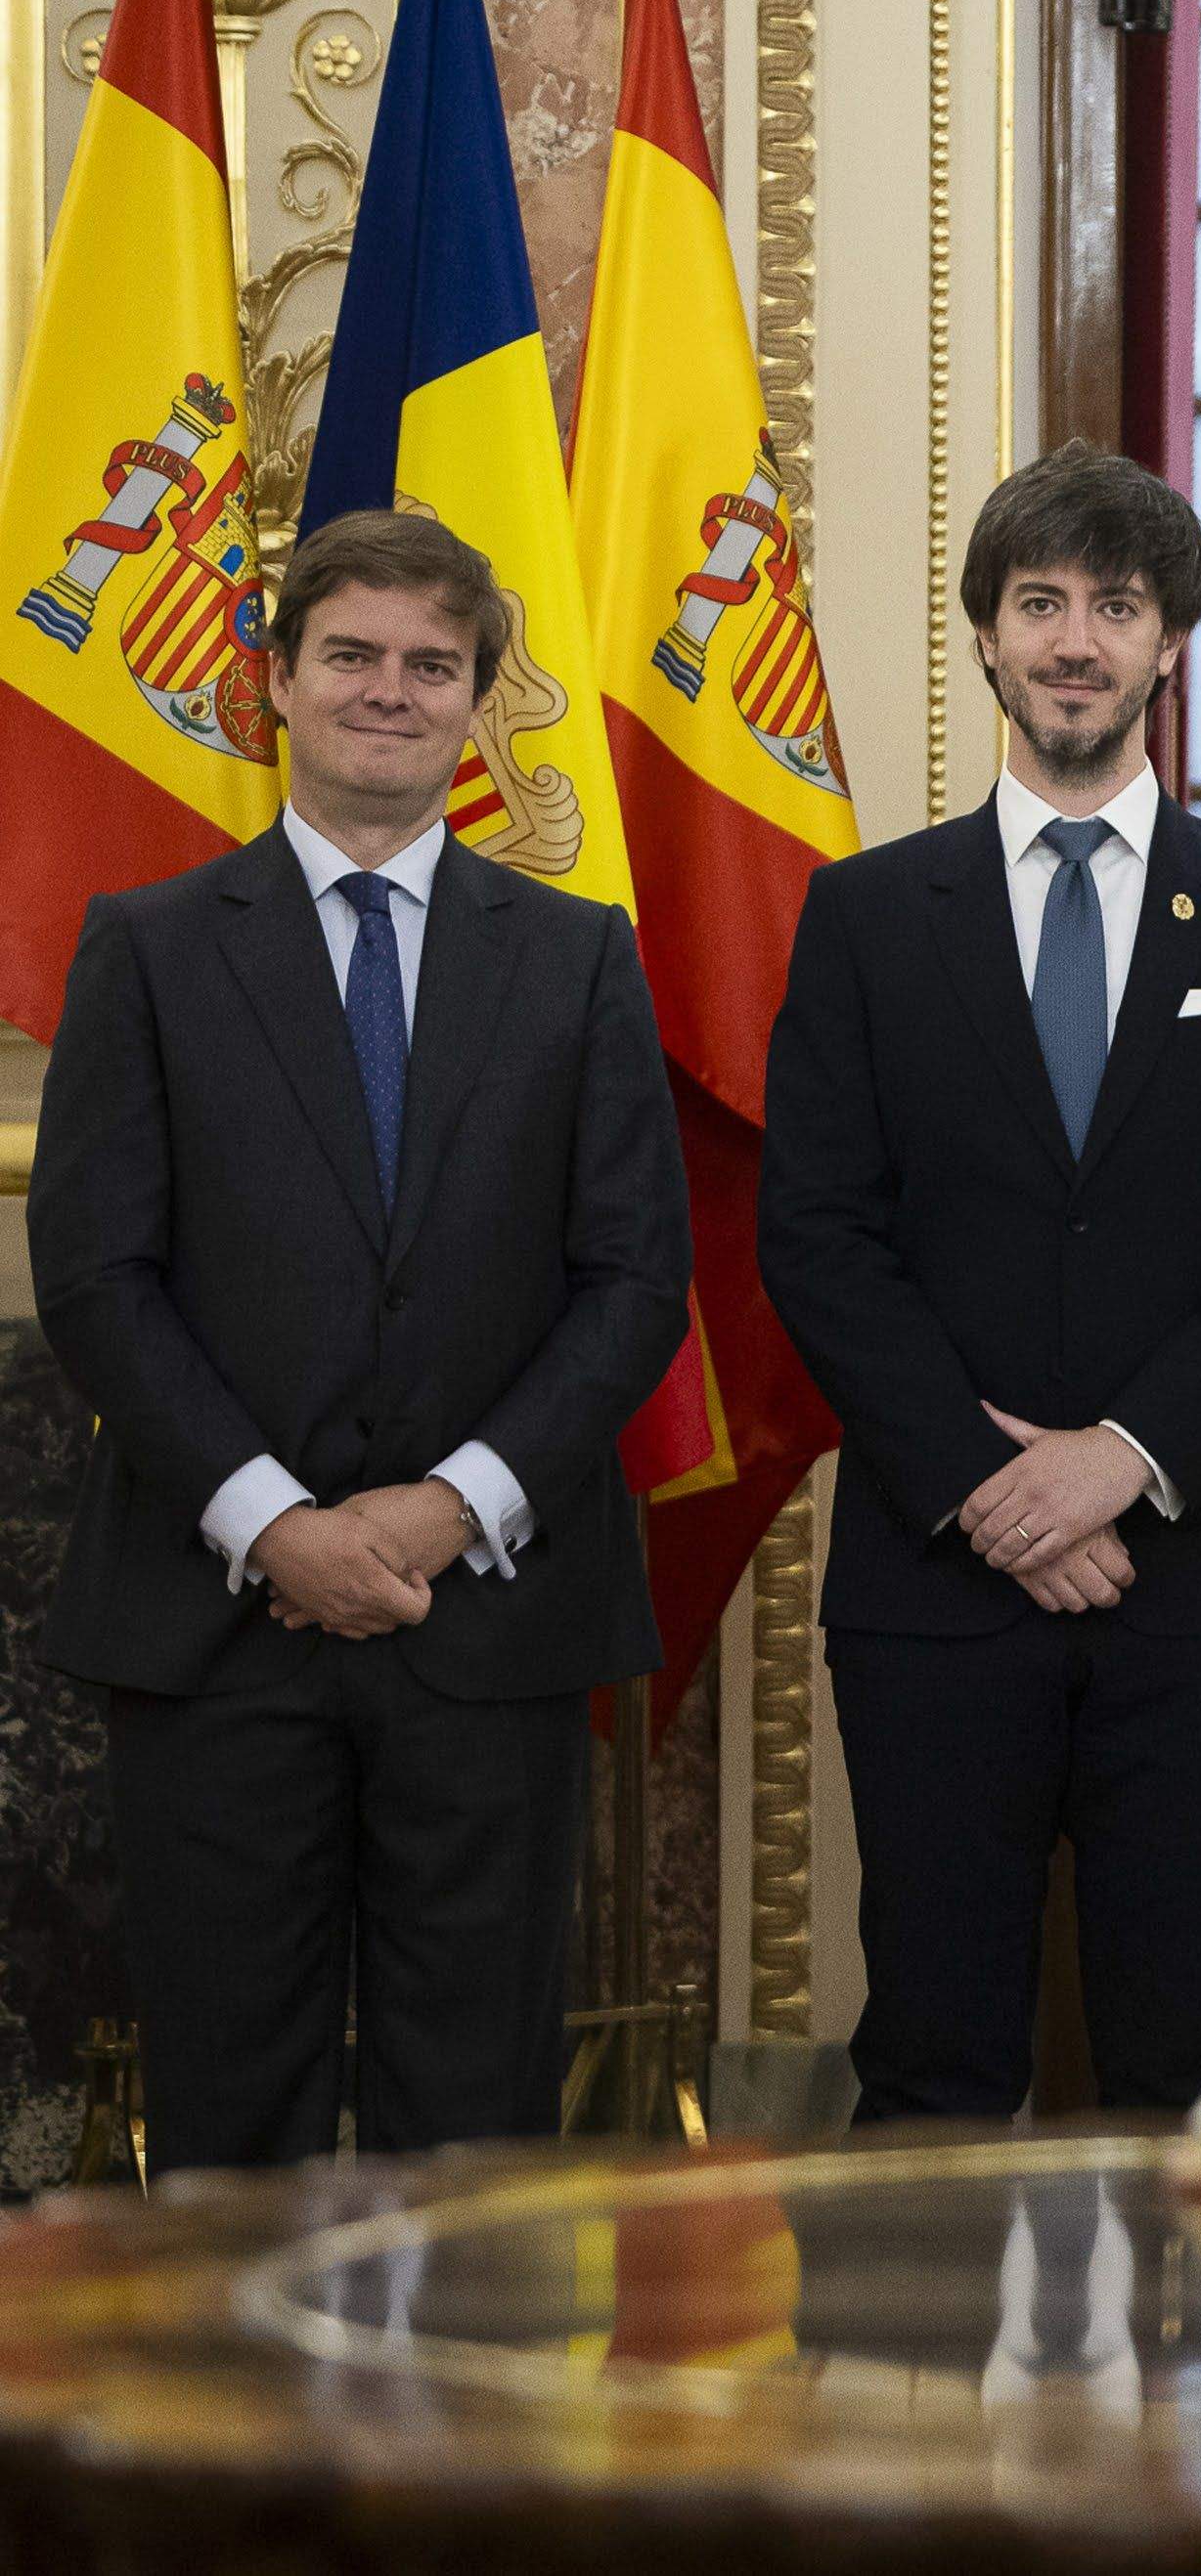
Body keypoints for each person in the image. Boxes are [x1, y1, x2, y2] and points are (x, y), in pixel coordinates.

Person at [27, 508, 690, 2170]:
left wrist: (445, 1507)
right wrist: (280, 1524)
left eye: (432, 666)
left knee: (473, 2128)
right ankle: (232, 2444)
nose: (389, 691)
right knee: (228, 2112)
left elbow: (633, 1282)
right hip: (216, 1624)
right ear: (276, 685)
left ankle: (438, 2441)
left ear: (476, 704)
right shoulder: (150, 947)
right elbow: (99, 1278)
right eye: (352, 656)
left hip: (490, 1629)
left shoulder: (578, 957)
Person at [758, 442, 1201, 2119]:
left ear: (1171, 640)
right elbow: (815, 1232)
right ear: (984, 635)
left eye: (1116, 605)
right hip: (935, 1581)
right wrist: (986, 1486)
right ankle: (920, 2391)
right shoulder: (870, 917)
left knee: (1186, 2071)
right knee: (934, 2063)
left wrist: (1121, 1457)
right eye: (1040, 602)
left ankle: (1178, 2399)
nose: (1076, 640)